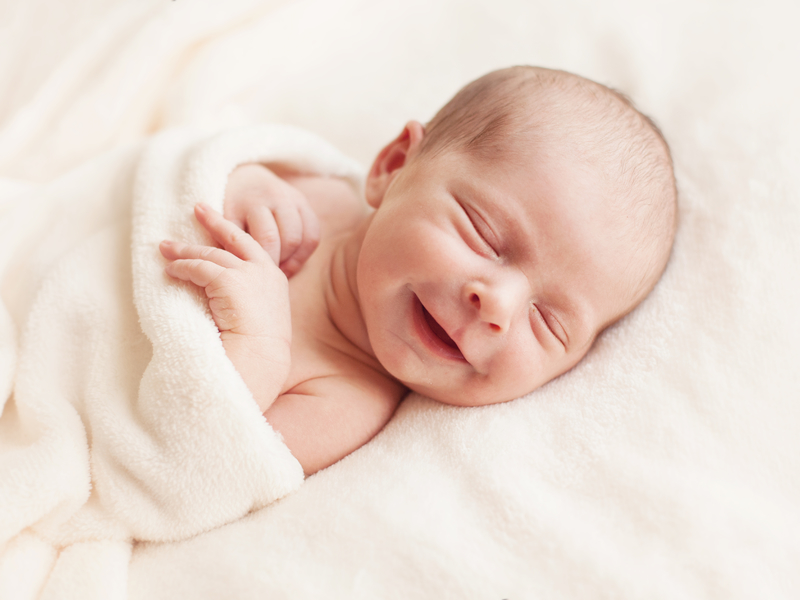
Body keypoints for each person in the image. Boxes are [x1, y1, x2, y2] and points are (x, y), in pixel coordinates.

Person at [159, 66, 677, 476]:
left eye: (548, 323)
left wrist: (257, 343)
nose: (498, 305)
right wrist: (238, 174)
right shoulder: (299, 191)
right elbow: (171, 163)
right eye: (483, 234)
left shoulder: (343, 402)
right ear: (393, 166)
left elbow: (197, 466)